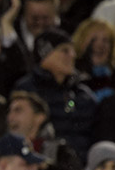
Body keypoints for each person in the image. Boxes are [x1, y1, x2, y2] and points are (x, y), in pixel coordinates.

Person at [13, 28, 98, 162]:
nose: (73, 55)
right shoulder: (27, 90)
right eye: (65, 50)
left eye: (72, 50)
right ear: (45, 54)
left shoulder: (83, 94)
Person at [6, 90, 80, 170]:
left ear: (39, 118)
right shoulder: (2, 150)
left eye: (18, 110)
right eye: (10, 111)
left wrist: (45, 166)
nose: (10, 117)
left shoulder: (59, 150)